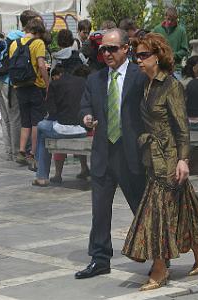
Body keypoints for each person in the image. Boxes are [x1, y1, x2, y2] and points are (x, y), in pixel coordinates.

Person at [121, 33, 198, 291]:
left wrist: (183, 159)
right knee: (183, 208)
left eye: (143, 55)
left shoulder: (171, 86)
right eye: (136, 56)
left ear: (158, 56)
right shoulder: (145, 84)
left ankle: (160, 268)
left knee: (156, 215)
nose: (138, 61)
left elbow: (182, 127)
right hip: (151, 157)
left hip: (169, 158)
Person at [75, 28, 147, 279]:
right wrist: (86, 117)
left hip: (131, 154)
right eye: (103, 49)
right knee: (100, 211)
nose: (106, 53)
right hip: (104, 153)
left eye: (112, 48)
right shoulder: (94, 79)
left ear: (126, 48)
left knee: (141, 207)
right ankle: (100, 258)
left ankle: (160, 255)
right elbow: (85, 105)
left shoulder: (140, 76)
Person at [32, 65, 89, 186]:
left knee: (41, 127)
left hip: (63, 129)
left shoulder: (55, 84)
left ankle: (41, 173)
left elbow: (51, 111)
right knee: (44, 129)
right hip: (83, 129)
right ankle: (84, 168)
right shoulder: (85, 83)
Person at [9, 18, 49, 166]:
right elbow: (41, 66)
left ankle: (21, 151)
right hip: (34, 85)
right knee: (36, 122)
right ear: (37, 32)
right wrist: (47, 84)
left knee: (25, 120)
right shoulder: (38, 43)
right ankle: (33, 153)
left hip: (19, 86)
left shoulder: (14, 43)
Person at [0, 10, 35, 162]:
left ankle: (9, 151)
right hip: (11, 83)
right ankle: (18, 152)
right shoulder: (22, 38)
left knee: (6, 118)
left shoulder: (9, 36)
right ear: (31, 23)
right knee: (16, 118)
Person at [153, 6, 189, 79]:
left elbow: (184, 50)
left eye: (172, 20)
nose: (169, 22)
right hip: (159, 68)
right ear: (165, 17)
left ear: (176, 19)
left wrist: (172, 55)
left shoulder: (181, 31)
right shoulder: (157, 29)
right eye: (168, 19)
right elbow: (152, 46)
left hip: (175, 69)